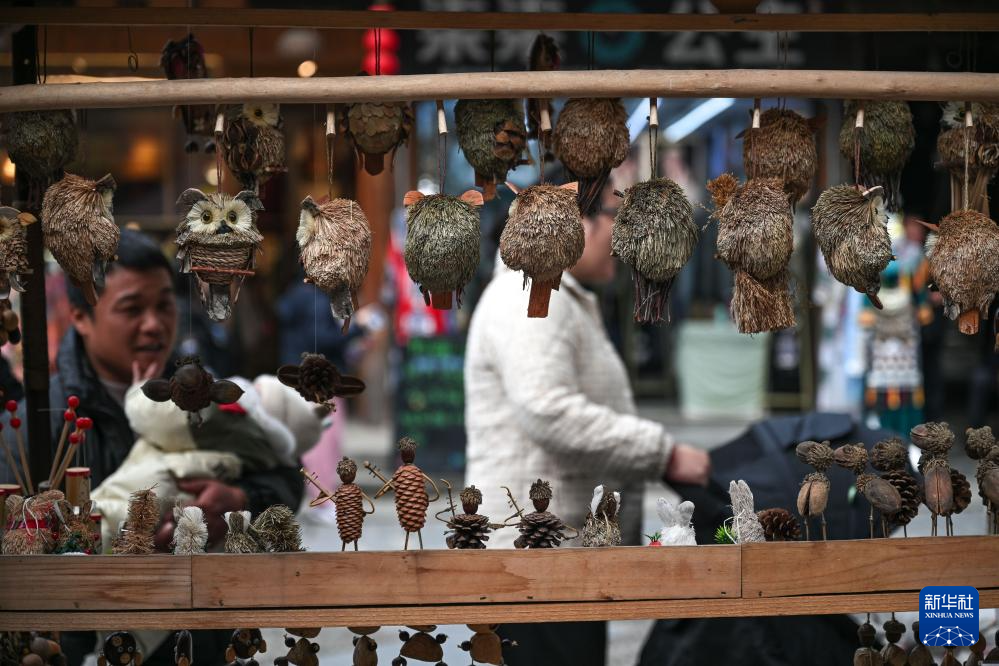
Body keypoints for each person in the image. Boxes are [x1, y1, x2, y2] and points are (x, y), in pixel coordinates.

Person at [1, 229, 303, 665]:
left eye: (164, 305)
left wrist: (241, 499)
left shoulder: (203, 396)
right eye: (131, 308)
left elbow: (288, 475)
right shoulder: (40, 425)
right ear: (81, 317)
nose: (154, 324)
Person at [464, 202, 711, 666]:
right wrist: (663, 453)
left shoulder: (554, 295)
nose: (621, 235)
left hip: (560, 557)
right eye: (614, 215)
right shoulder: (530, 298)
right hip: (537, 566)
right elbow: (547, 410)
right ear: (576, 222)